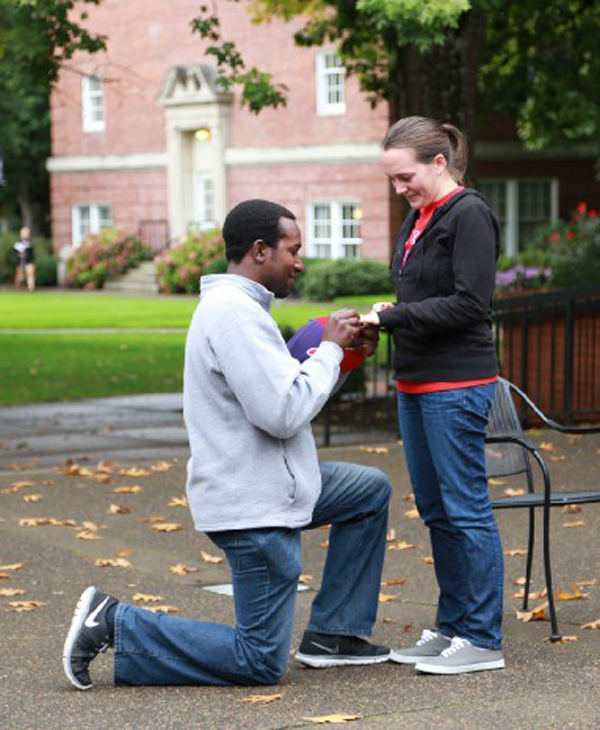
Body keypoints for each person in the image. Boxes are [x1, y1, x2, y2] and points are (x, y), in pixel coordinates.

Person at [62, 198, 392, 690]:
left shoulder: (241, 309)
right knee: (259, 659)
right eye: (292, 249)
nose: (299, 261)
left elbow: (288, 393)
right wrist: (327, 346)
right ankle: (114, 621)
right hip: (254, 505)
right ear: (260, 251)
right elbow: (282, 413)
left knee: (368, 491)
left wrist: (341, 358)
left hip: (276, 481)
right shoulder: (233, 315)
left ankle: (335, 635)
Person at [362, 116, 504, 675]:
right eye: (393, 181)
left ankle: (481, 638)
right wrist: (385, 316)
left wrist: (391, 316)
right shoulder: (421, 216)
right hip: (416, 383)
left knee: (466, 511)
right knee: (437, 511)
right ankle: (451, 627)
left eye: (405, 177)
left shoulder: (469, 214)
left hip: (457, 384)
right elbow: (423, 294)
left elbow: (471, 304)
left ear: (438, 163)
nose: (400, 189)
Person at [13, 226, 35, 291]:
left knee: (30, 273)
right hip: (20, 261)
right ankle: (17, 288)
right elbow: (15, 251)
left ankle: (31, 288)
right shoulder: (17, 243)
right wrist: (19, 252)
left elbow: (31, 252)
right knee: (19, 275)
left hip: (29, 260)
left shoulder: (30, 243)